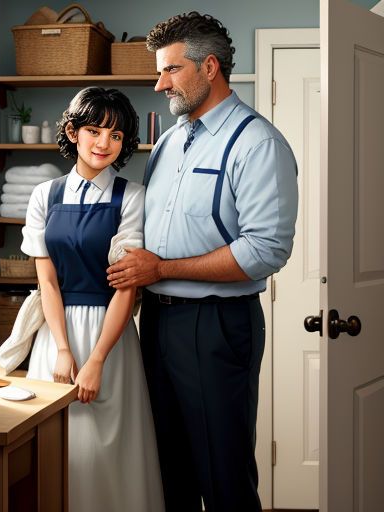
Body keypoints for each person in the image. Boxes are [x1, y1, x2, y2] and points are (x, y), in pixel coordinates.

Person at [107, 12, 298, 512]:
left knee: (224, 477)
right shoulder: (168, 142)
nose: (158, 83)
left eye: (170, 70)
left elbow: (265, 250)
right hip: (158, 324)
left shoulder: (258, 143)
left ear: (209, 67)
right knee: (168, 472)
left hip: (217, 327)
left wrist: (163, 269)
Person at [19, 87, 164, 512]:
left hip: (112, 339)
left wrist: (97, 358)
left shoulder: (132, 197)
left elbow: (127, 286)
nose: (104, 143)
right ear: (73, 132)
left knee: (112, 449)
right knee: (61, 447)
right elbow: (47, 283)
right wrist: (62, 351)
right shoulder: (44, 196)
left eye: (116, 135)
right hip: (56, 334)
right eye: (94, 130)